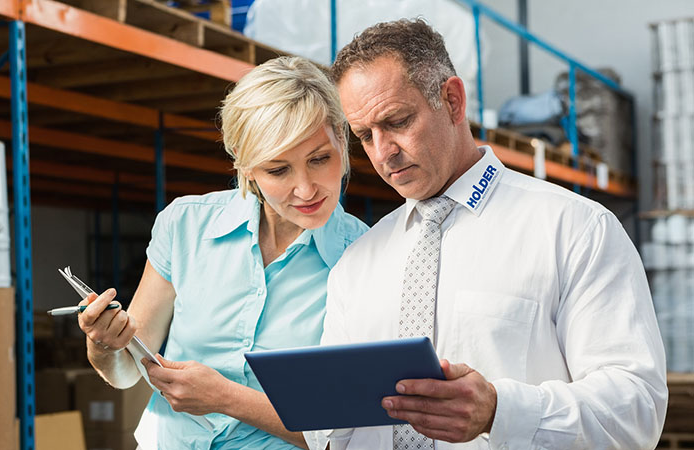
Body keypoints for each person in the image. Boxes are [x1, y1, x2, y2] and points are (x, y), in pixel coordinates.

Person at [304, 19, 668, 450]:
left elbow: (637, 408)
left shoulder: (574, 230)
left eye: (398, 121)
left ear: (453, 101)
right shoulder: (357, 263)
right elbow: (329, 429)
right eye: (365, 135)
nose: (383, 153)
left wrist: (500, 411)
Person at [76, 56, 368, 449]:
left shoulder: (366, 257)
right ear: (246, 168)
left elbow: (345, 431)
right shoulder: (185, 226)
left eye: (320, 159)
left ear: (342, 139)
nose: (306, 189)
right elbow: (128, 370)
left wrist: (226, 398)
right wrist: (104, 345)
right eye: (278, 170)